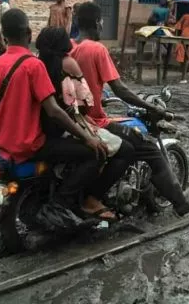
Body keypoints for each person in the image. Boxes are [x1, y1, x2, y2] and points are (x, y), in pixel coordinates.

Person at [71, 2, 189, 215]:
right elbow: (120, 89)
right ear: (97, 22)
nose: (102, 24)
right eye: (101, 20)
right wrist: (151, 107)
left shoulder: (69, 47)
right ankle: (181, 202)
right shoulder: (96, 49)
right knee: (148, 147)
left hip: (74, 121)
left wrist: (99, 98)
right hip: (93, 122)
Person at [0, 9, 113, 220]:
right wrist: (87, 138)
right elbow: (54, 110)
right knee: (94, 154)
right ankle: (60, 202)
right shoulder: (33, 65)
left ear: (4, 34)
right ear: (28, 33)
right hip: (31, 145)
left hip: (3, 147)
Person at [36, 26, 136, 220]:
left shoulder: (38, 64)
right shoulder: (68, 64)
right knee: (125, 150)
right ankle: (91, 199)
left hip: (44, 129)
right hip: (68, 126)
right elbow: (85, 103)